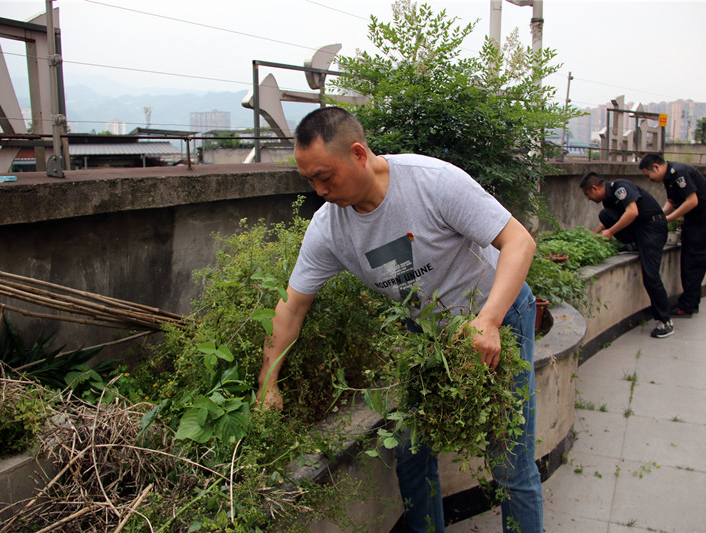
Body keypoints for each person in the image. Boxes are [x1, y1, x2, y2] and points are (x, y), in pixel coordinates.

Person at [257, 107, 544, 532]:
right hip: (425, 334)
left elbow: (518, 241)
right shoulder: (329, 229)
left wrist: (488, 321)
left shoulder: (431, 182)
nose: (318, 190)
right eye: (309, 181)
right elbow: (291, 306)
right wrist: (268, 382)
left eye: (325, 176)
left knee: (509, 457)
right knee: (412, 452)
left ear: (358, 154)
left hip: (497, 314)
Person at [580, 172, 673, 338]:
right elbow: (608, 220)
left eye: (587, 195)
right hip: (641, 230)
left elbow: (632, 212)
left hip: (653, 228)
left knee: (650, 275)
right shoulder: (608, 199)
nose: (588, 199)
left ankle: (665, 321)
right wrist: (593, 235)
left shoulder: (620, 187)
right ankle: (635, 244)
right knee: (605, 215)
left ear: (594, 188)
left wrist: (610, 232)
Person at [638, 153, 706, 317]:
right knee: (689, 260)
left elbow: (692, 201)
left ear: (656, 167)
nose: (649, 180)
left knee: (694, 262)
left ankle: (687, 306)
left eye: (648, 175)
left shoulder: (679, 172)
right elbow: (672, 202)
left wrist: (667, 219)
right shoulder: (668, 177)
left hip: (703, 219)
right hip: (694, 219)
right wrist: (657, 217)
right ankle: (690, 303)